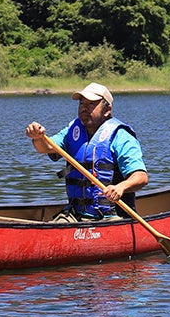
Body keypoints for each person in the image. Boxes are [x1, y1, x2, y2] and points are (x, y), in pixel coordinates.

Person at [25, 82, 148, 222]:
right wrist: (37, 137)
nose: (84, 109)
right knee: (55, 225)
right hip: (75, 214)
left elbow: (141, 177)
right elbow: (45, 147)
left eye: (91, 104)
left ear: (107, 109)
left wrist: (121, 187)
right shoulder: (73, 131)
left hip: (112, 217)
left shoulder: (121, 136)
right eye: (82, 104)